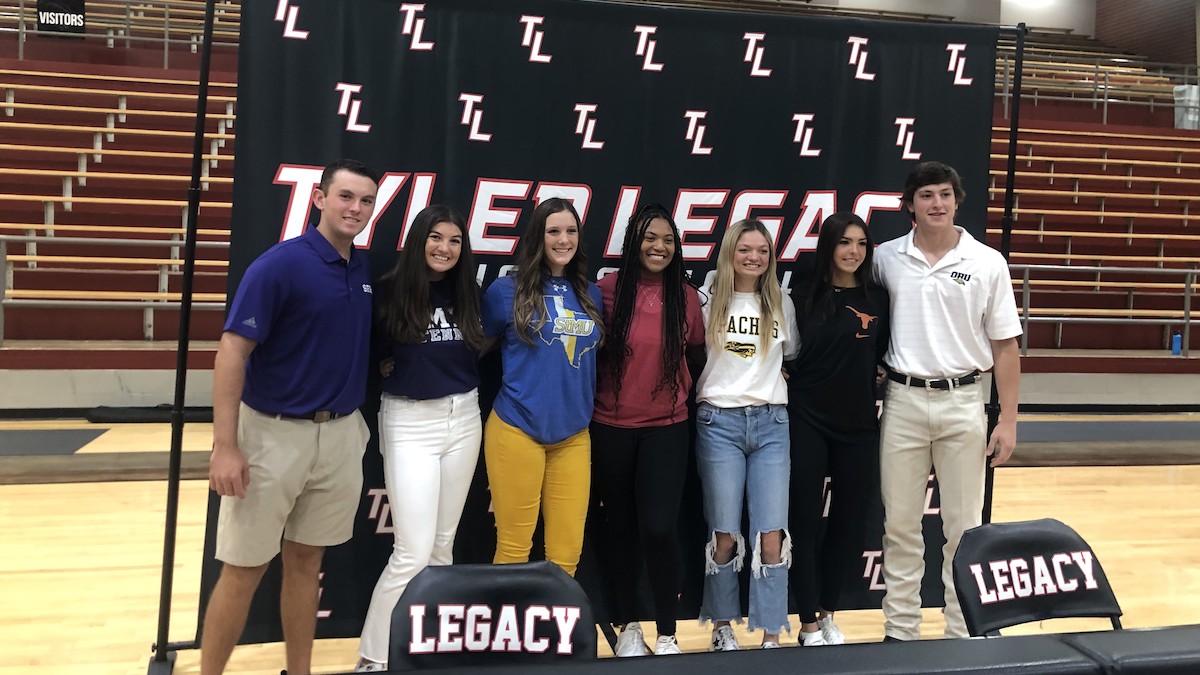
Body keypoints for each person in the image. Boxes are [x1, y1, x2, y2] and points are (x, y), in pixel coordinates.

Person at [202, 159, 378, 675]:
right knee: (244, 569)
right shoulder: (279, 266)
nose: (356, 208)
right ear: (319, 199)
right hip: (272, 436)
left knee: (307, 562)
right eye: (346, 196)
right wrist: (225, 446)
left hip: (339, 434)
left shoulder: (362, 269)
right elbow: (231, 352)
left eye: (366, 200)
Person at [873, 161, 1022, 641]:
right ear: (909, 205)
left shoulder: (987, 262)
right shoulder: (884, 259)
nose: (936, 203)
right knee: (900, 526)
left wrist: (1008, 420)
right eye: (926, 195)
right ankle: (900, 631)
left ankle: (963, 633)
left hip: (964, 402)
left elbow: (1005, 346)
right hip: (902, 401)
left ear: (957, 201)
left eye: (944, 194)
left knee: (964, 529)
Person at [355, 205, 485, 672]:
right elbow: (368, 352)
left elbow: (478, 349)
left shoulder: (468, 291)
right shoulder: (389, 289)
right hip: (409, 420)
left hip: (464, 416)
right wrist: (385, 366)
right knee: (411, 550)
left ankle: (426, 649)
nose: (445, 248)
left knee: (442, 547)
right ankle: (373, 656)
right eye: (436, 238)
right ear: (419, 240)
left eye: (454, 241)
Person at [591, 204, 705, 657]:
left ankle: (668, 632)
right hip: (611, 426)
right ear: (632, 243)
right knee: (620, 528)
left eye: (668, 240)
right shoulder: (606, 291)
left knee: (659, 529)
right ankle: (629, 625)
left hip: (667, 428)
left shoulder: (687, 297)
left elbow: (696, 354)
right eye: (649, 238)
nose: (659, 247)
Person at [480, 197, 604, 577]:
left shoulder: (591, 294)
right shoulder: (506, 291)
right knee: (514, 547)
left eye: (571, 231)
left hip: (573, 436)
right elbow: (475, 348)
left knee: (566, 556)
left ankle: (552, 621)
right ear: (538, 236)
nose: (563, 240)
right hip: (517, 429)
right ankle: (506, 620)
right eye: (553, 231)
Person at [695, 219, 799, 651]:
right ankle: (722, 626)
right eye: (745, 249)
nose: (754, 257)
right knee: (724, 534)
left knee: (771, 535)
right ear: (730, 252)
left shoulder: (781, 302)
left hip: (772, 423)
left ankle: (772, 633)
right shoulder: (707, 300)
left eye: (762, 251)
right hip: (718, 423)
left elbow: (791, 354)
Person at [786, 212, 889, 647]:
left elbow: (884, 354)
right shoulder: (801, 294)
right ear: (828, 245)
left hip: (859, 423)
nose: (853, 251)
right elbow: (784, 349)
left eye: (861, 243)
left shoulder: (878, 298)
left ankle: (829, 612)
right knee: (804, 521)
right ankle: (807, 621)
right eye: (845, 242)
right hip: (807, 418)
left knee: (849, 522)